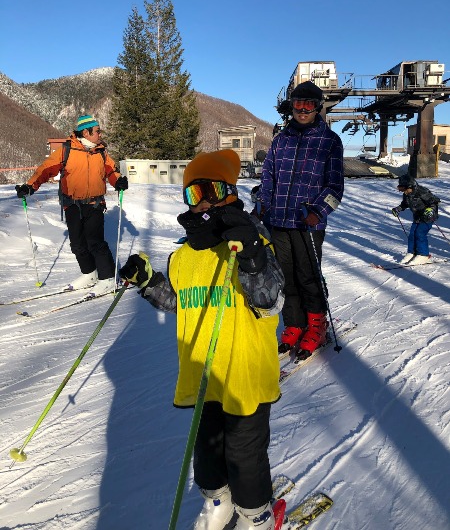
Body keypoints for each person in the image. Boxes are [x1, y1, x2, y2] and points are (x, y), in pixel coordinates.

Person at [119, 149, 285, 530]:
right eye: (193, 194)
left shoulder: (252, 240)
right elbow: (182, 304)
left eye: (210, 189)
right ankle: (218, 504)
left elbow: (270, 301)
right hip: (201, 373)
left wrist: (254, 257)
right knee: (205, 449)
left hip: (244, 374)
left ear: (229, 191)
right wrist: (148, 282)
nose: (203, 201)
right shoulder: (183, 256)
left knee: (244, 454)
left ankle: (255, 516)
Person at [260, 81, 344, 360]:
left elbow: (334, 187)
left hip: (308, 223)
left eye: (309, 104)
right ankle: (295, 324)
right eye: (298, 104)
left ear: (318, 107)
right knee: (285, 277)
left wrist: (317, 212)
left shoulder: (330, 141)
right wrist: (263, 206)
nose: (303, 110)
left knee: (308, 277)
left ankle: (317, 327)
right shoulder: (280, 140)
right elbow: (268, 178)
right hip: (279, 220)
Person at [15, 114, 128, 294]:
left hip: (95, 204)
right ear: (86, 131)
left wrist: (119, 181)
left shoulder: (101, 151)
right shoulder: (66, 149)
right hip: (72, 205)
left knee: (95, 242)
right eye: (97, 131)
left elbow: (111, 171)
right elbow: (45, 169)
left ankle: (107, 279)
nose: (100, 134)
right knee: (77, 244)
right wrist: (30, 186)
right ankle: (90, 273)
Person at [391, 173, 440, 264]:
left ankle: (423, 255)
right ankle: (412, 253)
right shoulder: (407, 194)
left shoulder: (422, 191)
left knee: (420, 233)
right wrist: (398, 208)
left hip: (428, 217)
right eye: (403, 190)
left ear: (411, 186)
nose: (404, 192)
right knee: (412, 234)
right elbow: (405, 204)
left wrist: (430, 210)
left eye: (406, 189)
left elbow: (435, 202)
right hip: (417, 217)